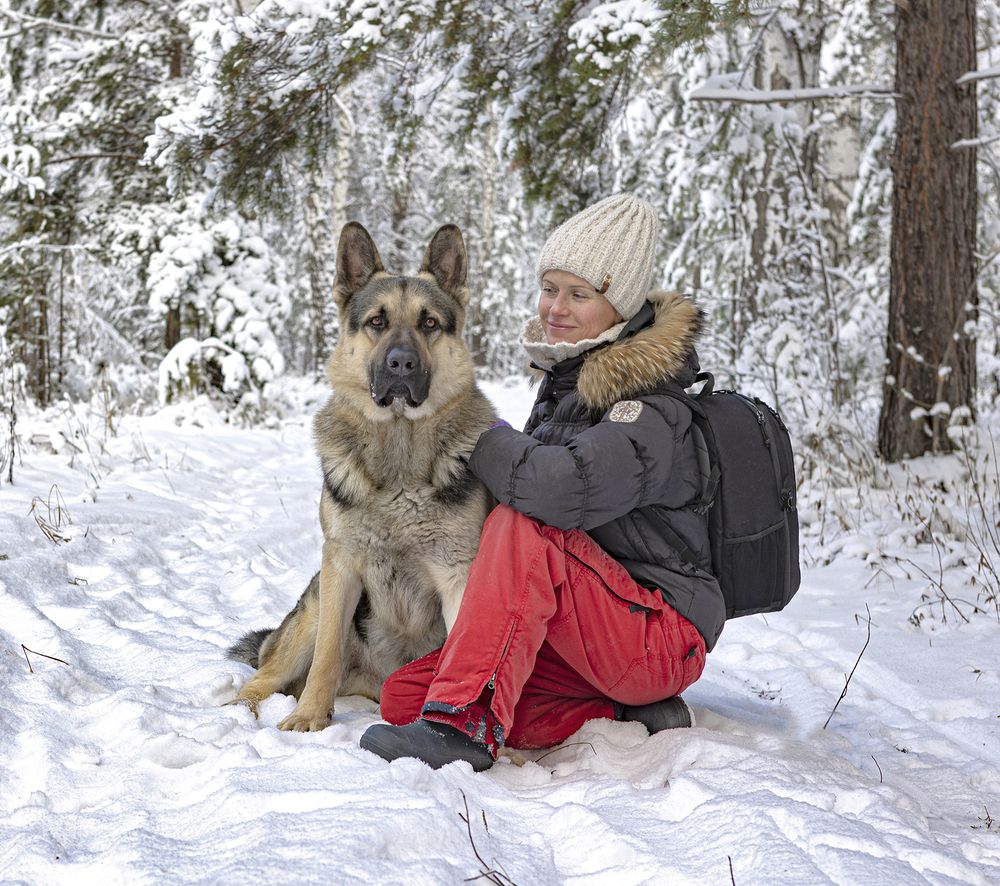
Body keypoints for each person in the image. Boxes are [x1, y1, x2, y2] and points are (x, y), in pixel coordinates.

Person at [360, 193, 726, 771]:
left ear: (620, 304)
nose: (556, 307)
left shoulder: (653, 410)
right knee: (404, 696)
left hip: (657, 632)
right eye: (550, 287)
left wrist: (471, 431)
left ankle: (467, 723)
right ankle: (624, 711)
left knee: (525, 524)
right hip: (585, 625)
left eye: (578, 293)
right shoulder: (567, 388)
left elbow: (556, 489)